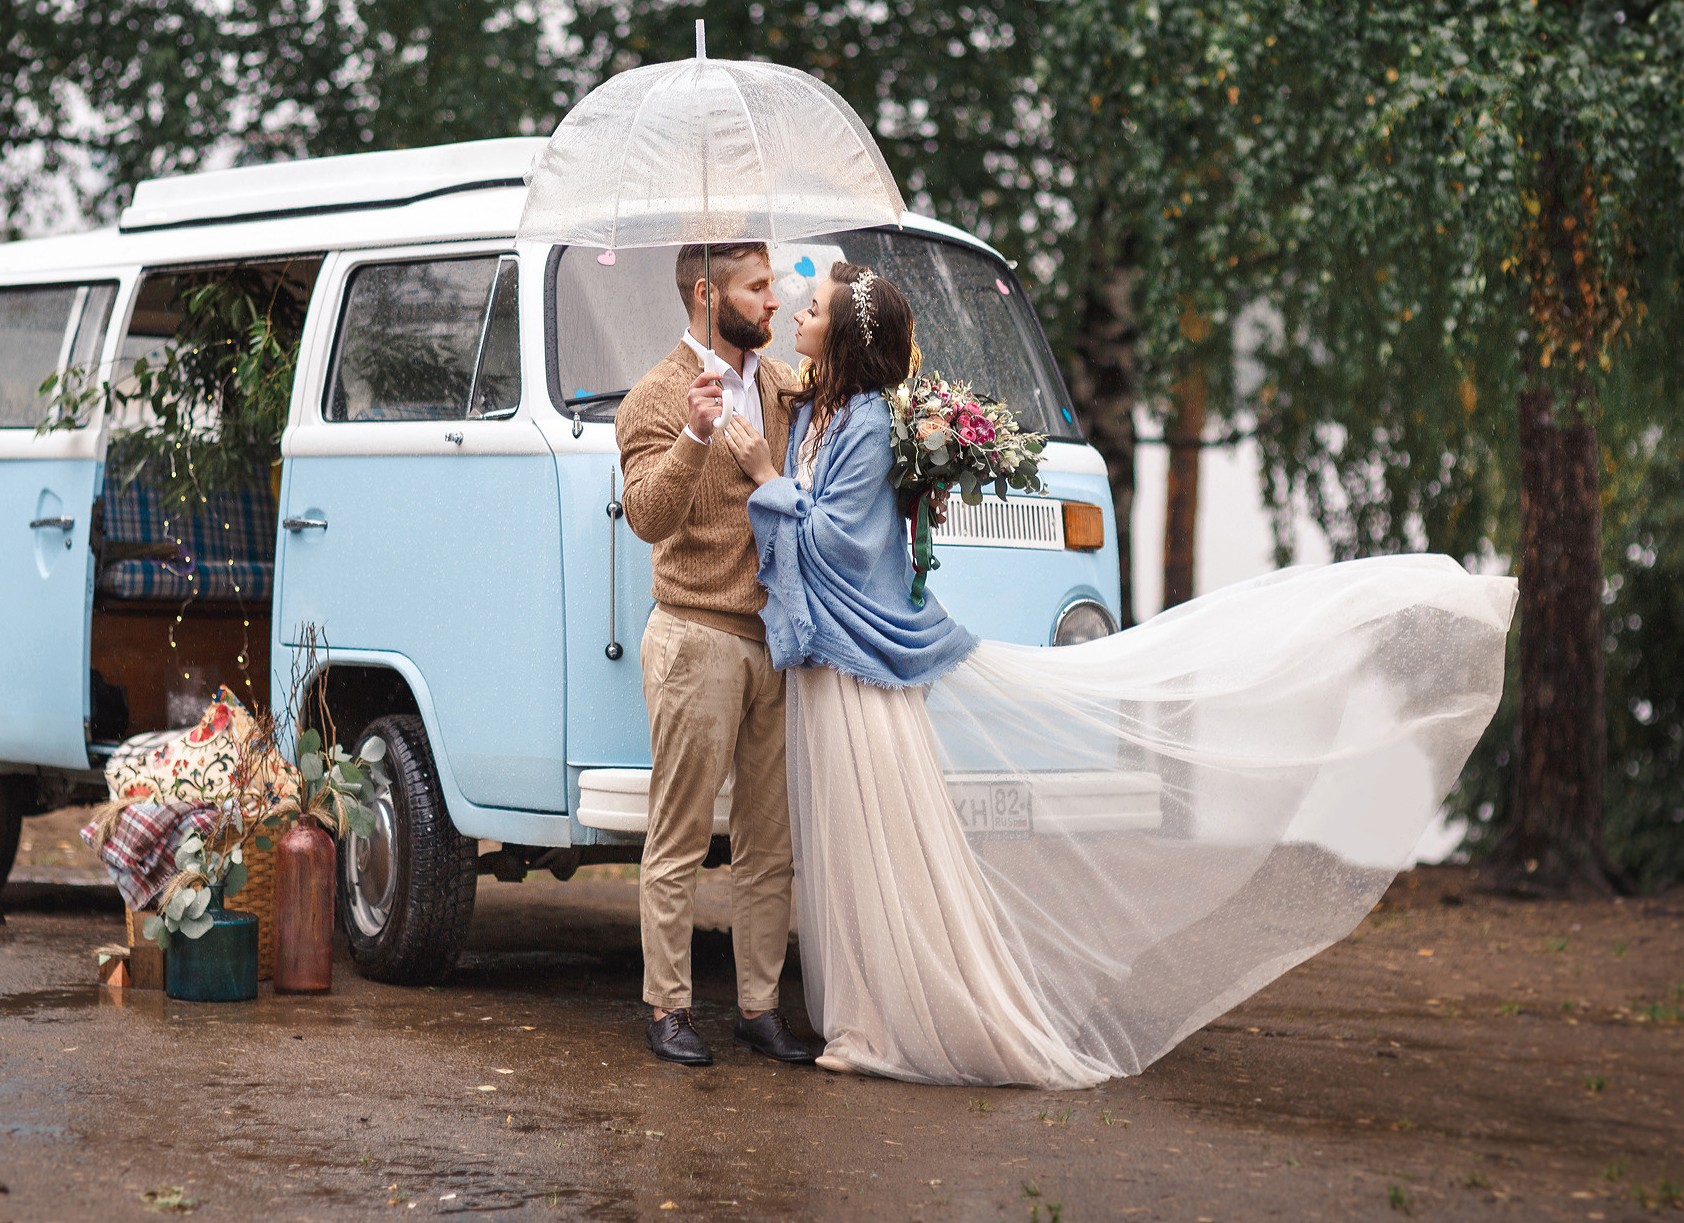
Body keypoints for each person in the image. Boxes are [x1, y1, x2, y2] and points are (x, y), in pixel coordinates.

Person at [726, 261, 1517, 1087]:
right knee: (841, 843)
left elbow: (840, 542)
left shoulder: (864, 424)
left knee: (872, 842)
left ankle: (890, 1021)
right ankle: (863, 1012)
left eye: (813, 308)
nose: (797, 314)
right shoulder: (822, 409)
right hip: (831, 654)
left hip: (862, 661)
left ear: (846, 336)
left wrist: (764, 479)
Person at [614, 240, 818, 1067]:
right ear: (707, 293)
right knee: (681, 835)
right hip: (695, 637)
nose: (774, 301)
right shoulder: (655, 397)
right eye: (757, 287)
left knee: (770, 844)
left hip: (776, 642)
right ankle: (668, 1006)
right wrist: (694, 436)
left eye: (773, 285)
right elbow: (646, 517)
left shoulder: (780, 383)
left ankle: (760, 1008)